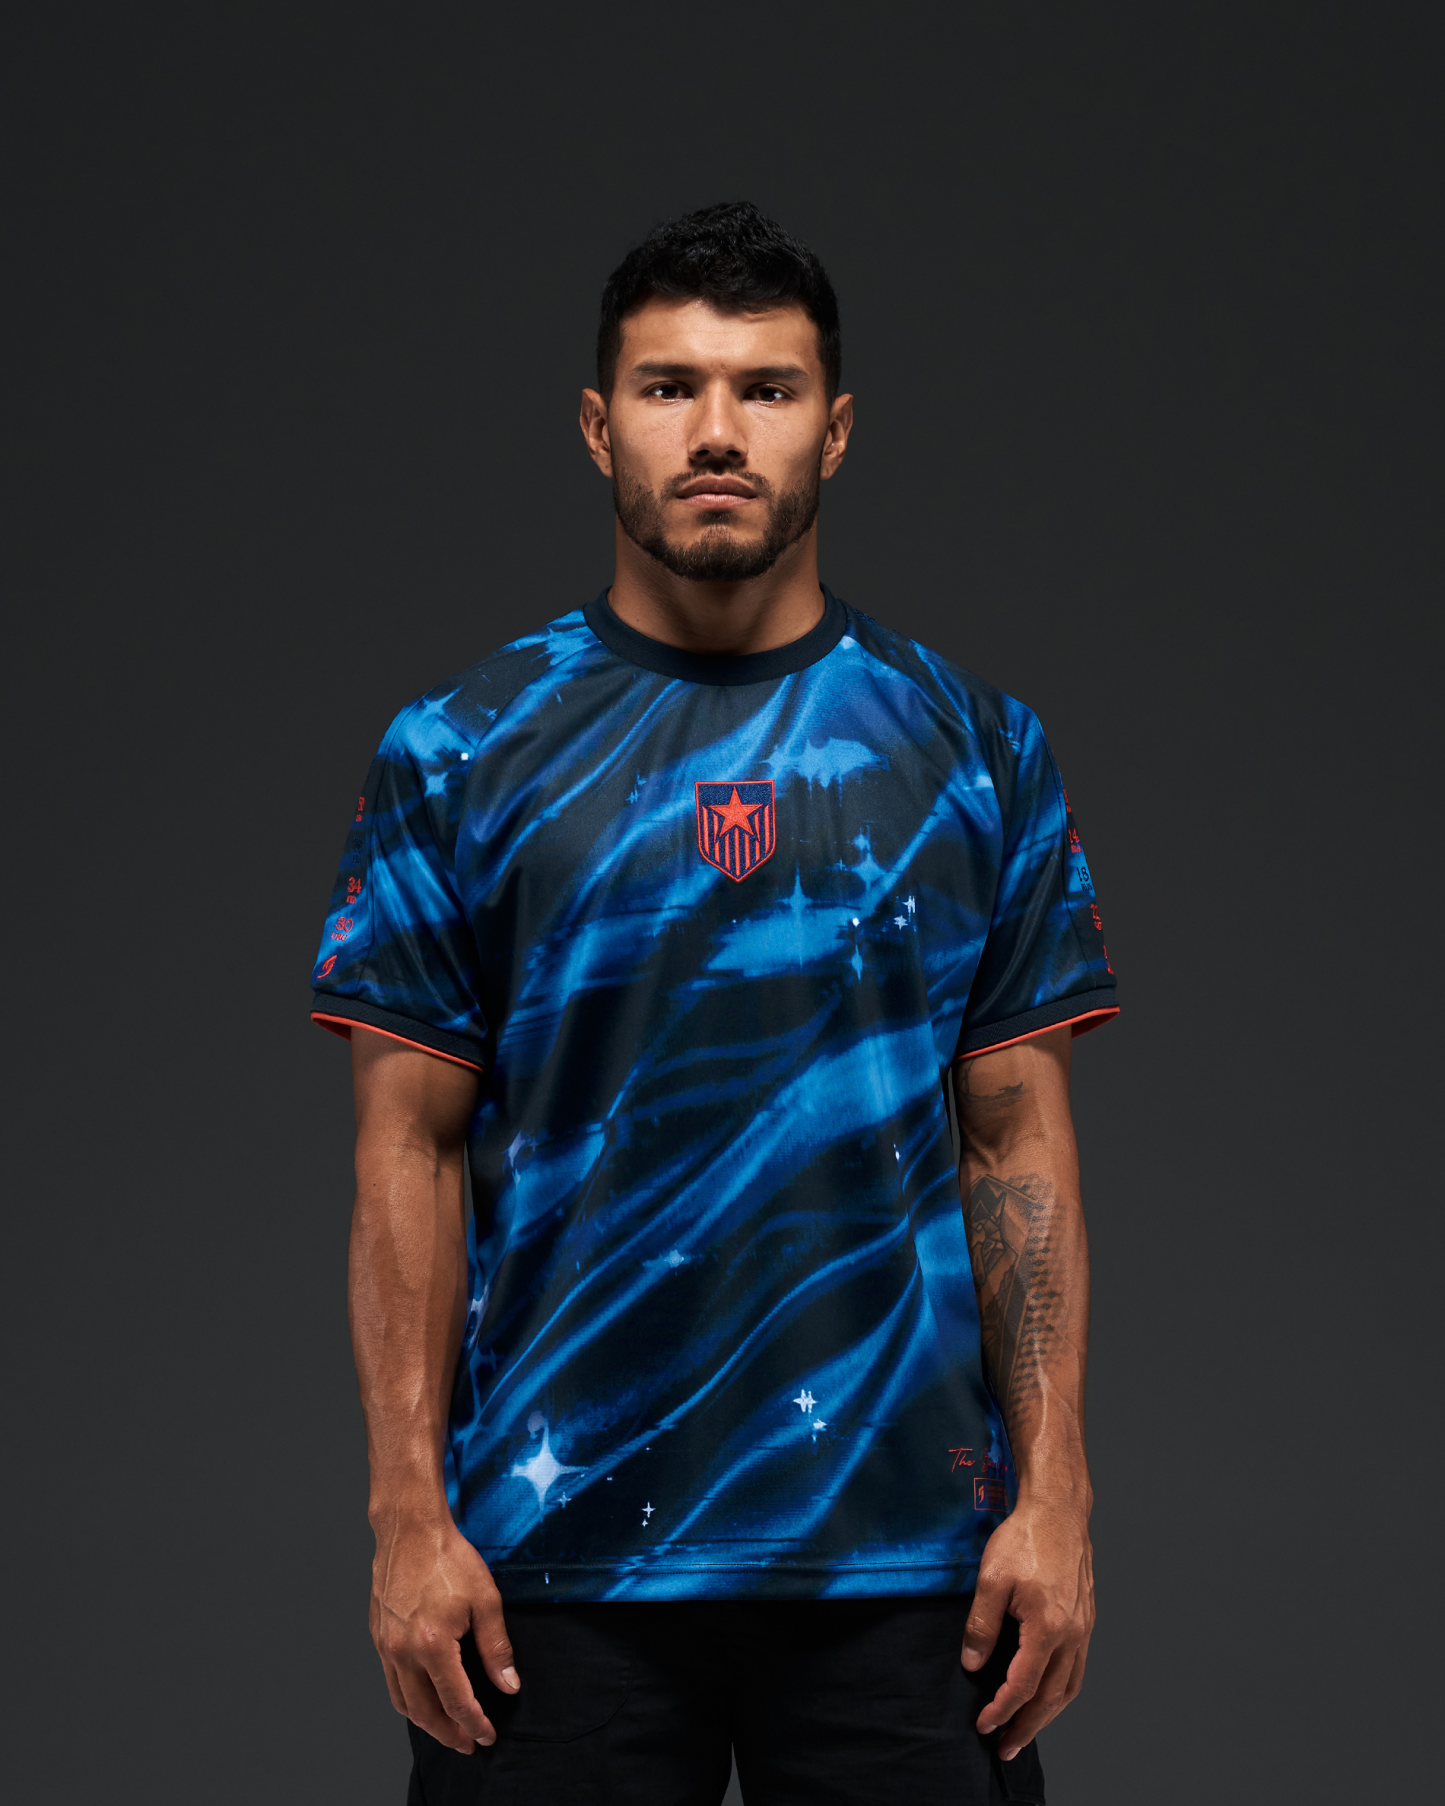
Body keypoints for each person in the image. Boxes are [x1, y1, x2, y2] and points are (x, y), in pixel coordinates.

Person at [311, 200, 1117, 1806]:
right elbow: (407, 1149)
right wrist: (406, 1514)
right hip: (551, 1563)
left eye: (767, 388)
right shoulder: (462, 751)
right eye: (671, 387)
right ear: (599, 425)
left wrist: (1058, 1496)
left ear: (837, 427)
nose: (720, 432)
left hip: (911, 1566)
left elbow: (1015, 1140)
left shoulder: (975, 748)